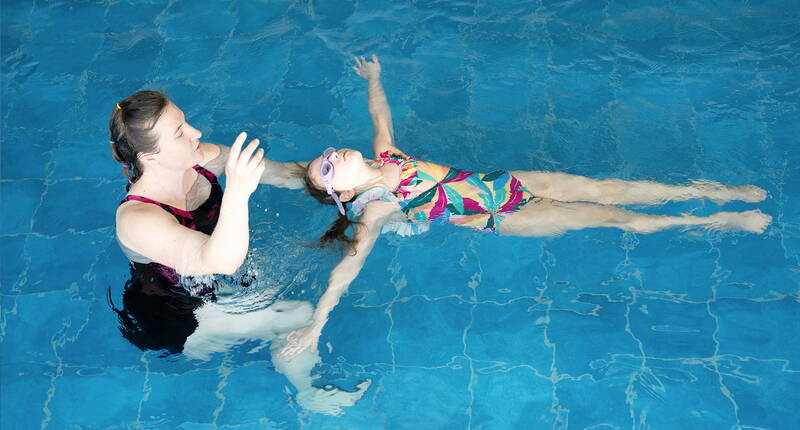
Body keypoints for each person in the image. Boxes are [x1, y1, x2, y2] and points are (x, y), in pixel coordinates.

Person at [277, 55, 771, 360]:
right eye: (325, 169)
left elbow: (378, 112)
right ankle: (725, 218)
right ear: (338, 195)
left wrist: (374, 77)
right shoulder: (377, 208)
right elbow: (348, 268)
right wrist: (316, 326)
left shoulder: (386, 155)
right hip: (505, 217)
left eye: (325, 155)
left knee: (612, 188)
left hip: (510, 182)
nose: (328, 157)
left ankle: (715, 191)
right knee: (619, 219)